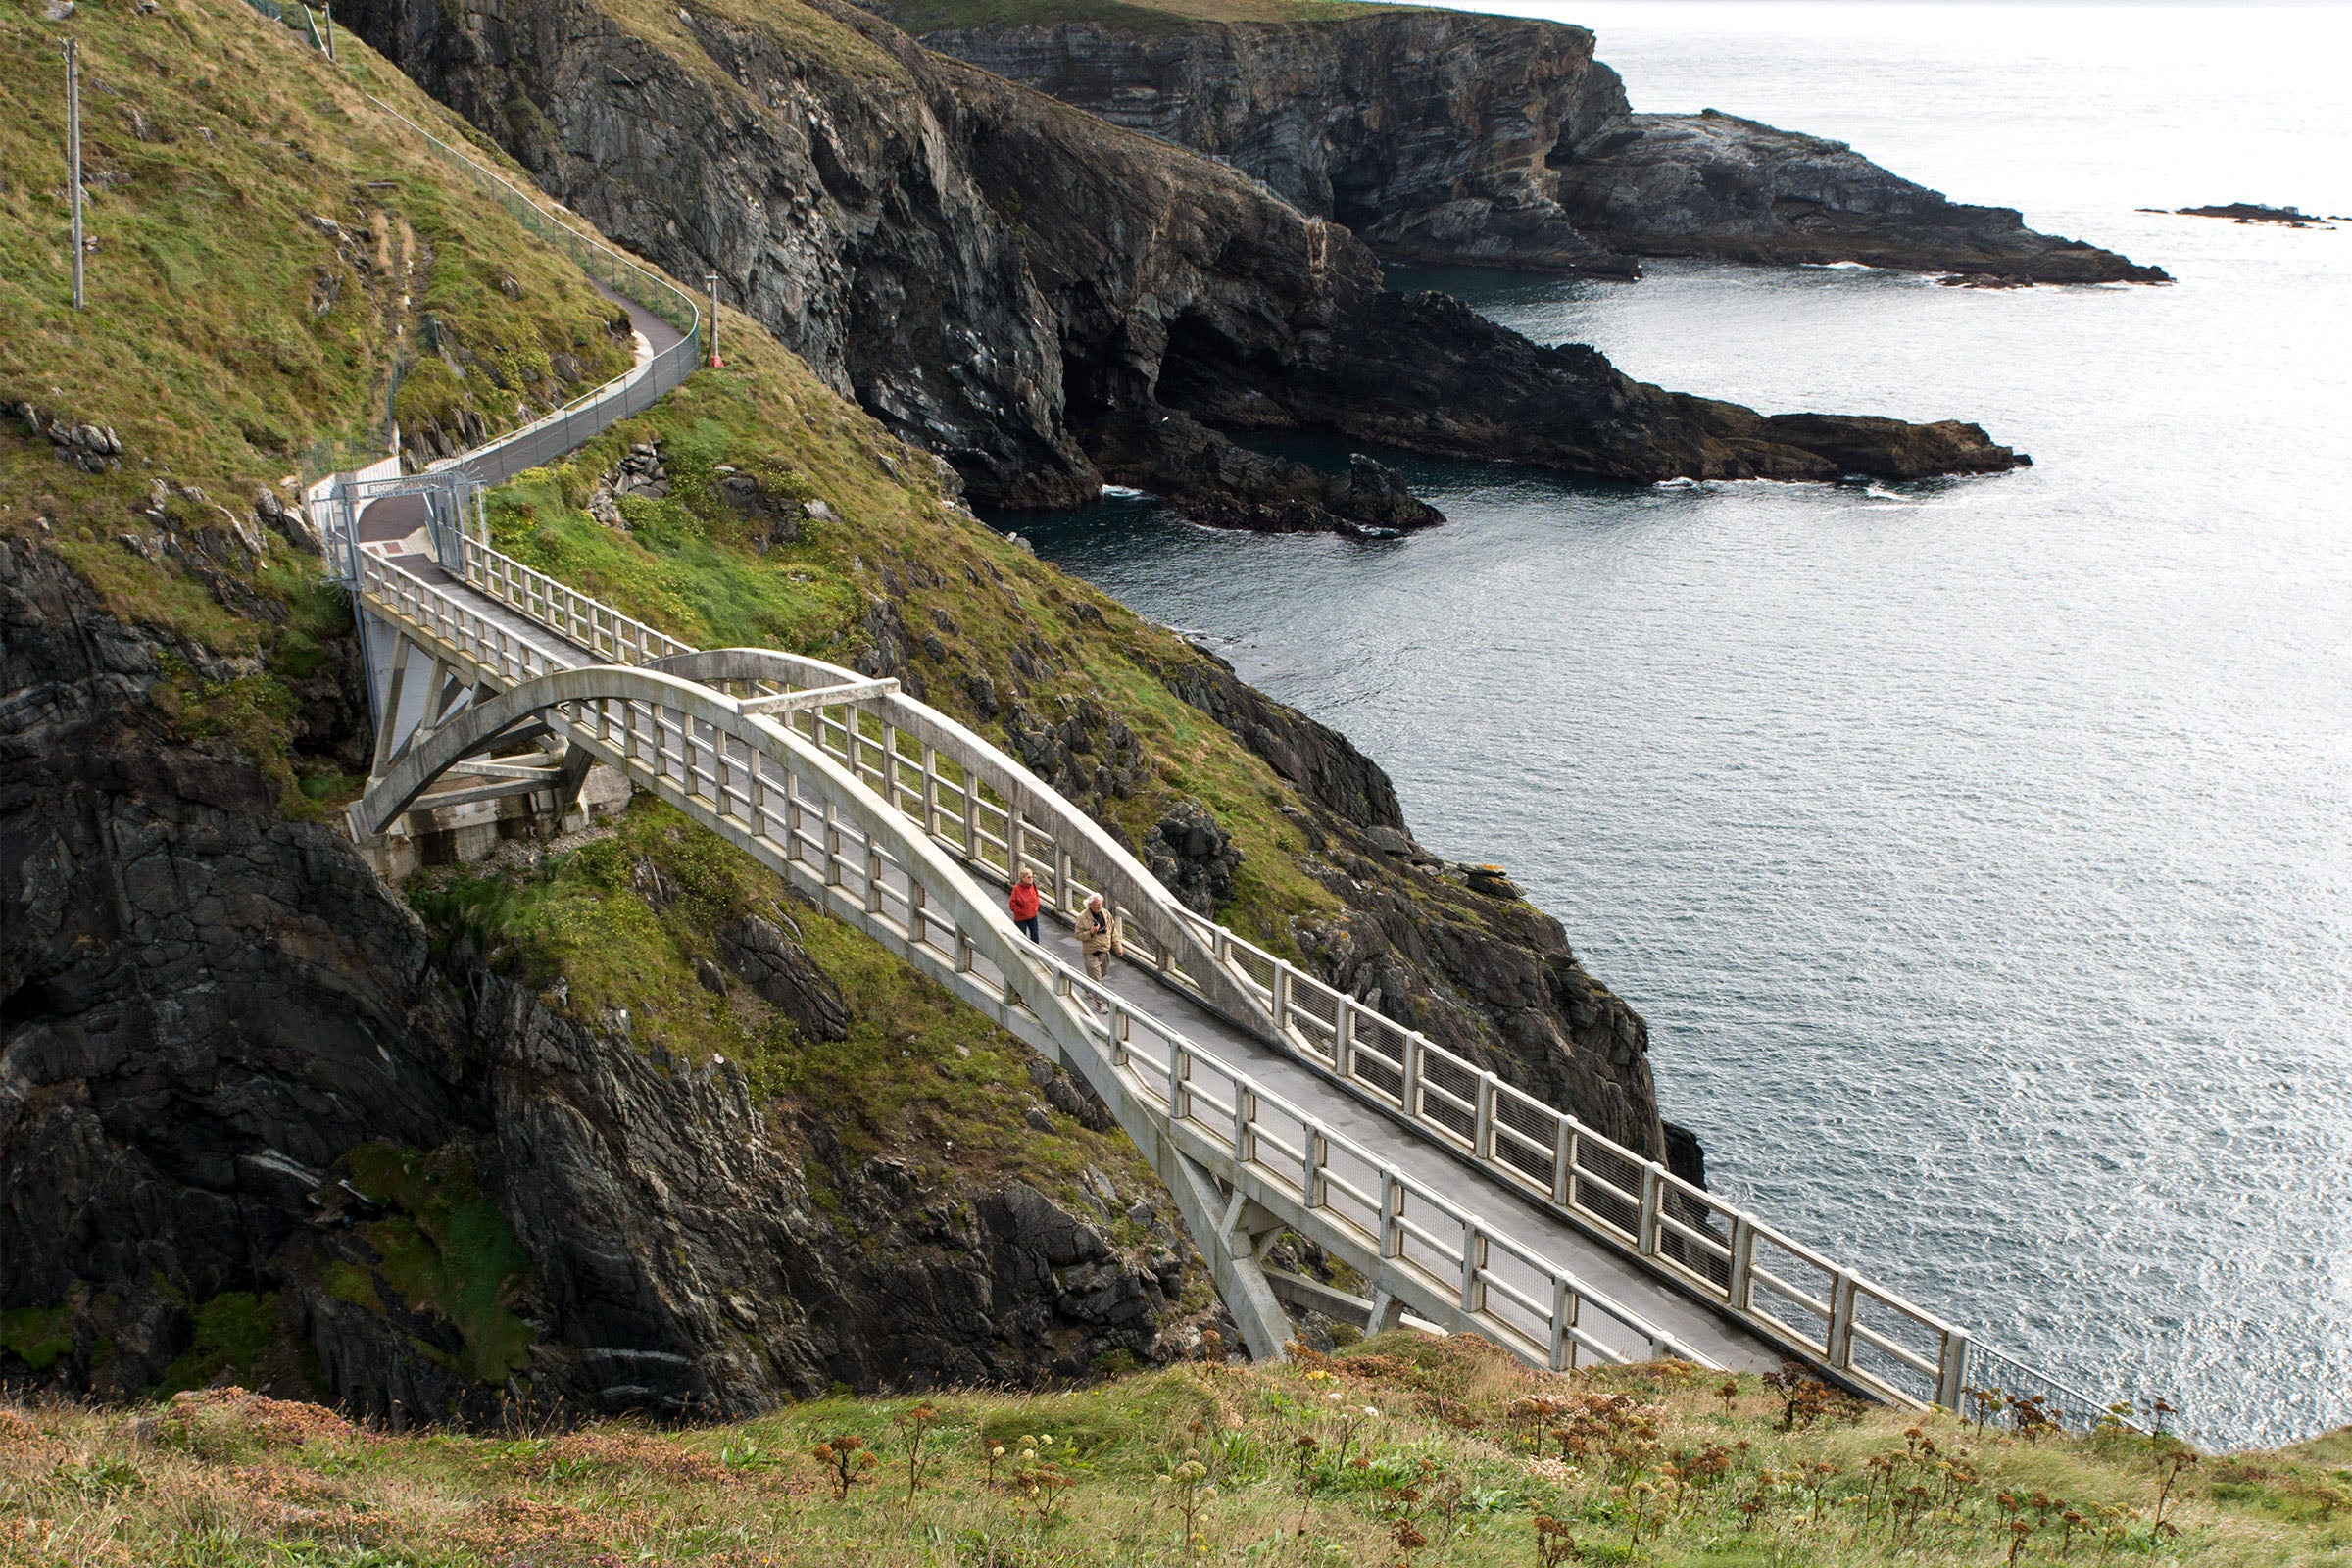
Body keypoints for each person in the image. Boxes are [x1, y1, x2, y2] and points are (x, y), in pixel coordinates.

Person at [1077, 892, 1122, 1004]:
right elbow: (1078, 935)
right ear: (1090, 904)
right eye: (1096, 904)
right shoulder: (1083, 917)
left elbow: (1113, 932)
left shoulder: (1106, 914)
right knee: (1097, 981)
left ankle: (1088, 987)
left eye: (1100, 904)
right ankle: (1099, 1004)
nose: (1099, 906)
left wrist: (1118, 948)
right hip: (1091, 952)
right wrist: (1091, 933)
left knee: (1103, 973)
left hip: (1105, 951)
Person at [1008, 867, 1041, 942]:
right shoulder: (1017, 888)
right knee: (1022, 937)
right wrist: (1021, 911)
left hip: (1033, 915)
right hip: (1021, 918)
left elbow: (1036, 896)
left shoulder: (1033, 885)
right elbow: (1012, 904)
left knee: (1035, 936)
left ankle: (1036, 951)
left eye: (1032, 877)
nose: (1031, 879)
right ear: (1022, 878)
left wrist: (1035, 907)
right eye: (1029, 877)